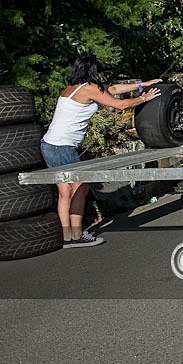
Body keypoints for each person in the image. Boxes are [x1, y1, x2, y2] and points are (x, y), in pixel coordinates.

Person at [41, 55, 162, 248]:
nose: (102, 75)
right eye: (99, 71)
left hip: (49, 145)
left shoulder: (75, 87)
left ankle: (67, 237)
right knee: (81, 187)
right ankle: (77, 235)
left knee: (65, 193)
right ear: (93, 72)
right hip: (62, 147)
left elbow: (112, 89)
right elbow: (120, 104)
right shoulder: (89, 88)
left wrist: (142, 84)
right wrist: (143, 98)